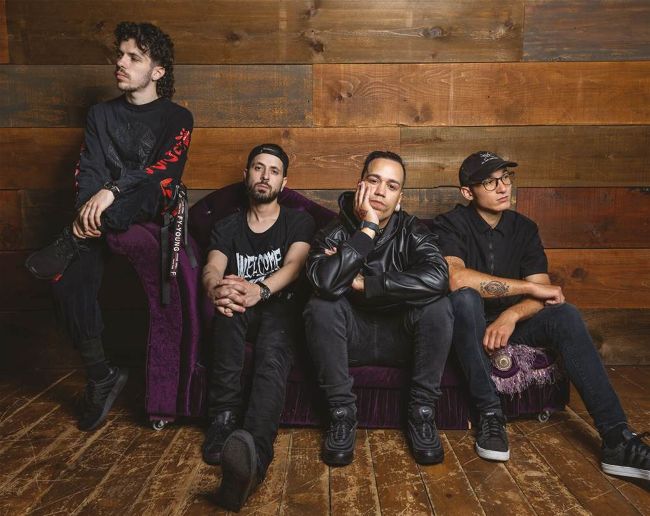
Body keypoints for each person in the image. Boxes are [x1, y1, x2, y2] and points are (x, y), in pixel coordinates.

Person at [432, 151, 650, 481]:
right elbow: (457, 279)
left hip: (513, 326)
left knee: (565, 314)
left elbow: (545, 294)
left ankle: (617, 438)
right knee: (464, 299)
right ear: (467, 192)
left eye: (505, 178)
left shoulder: (524, 228)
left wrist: (511, 315)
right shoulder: (450, 224)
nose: (503, 187)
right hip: (466, 325)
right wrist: (527, 288)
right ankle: (490, 415)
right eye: (489, 182)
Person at [24, 22, 193, 432]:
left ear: (157, 71)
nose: (121, 62)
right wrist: (87, 208)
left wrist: (112, 191)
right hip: (100, 214)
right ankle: (102, 376)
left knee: (154, 186)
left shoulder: (177, 117)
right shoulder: (101, 114)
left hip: (149, 205)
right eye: (120, 54)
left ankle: (69, 239)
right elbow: (89, 169)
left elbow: (165, 170)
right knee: (67, 283)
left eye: (134, 57)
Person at [303, 150, 453, 467]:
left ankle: (421, 414)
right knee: (321, 305)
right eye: (374, 180)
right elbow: (325, 284)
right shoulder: (332, 232)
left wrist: (367, 284)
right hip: (351, 338)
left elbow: (439, 277)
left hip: (401, 338)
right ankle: (342, 416)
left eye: (392, 186)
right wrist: (367, 229)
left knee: (438, 306)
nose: (381, 191)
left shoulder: (413, 231)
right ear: (359, 186)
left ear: (399, 199)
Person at [201, 144, 316, 511]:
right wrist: (217, 289)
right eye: (258, 168)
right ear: (246, 175)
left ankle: (253, 452)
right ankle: (222, 420)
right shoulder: (227, 226)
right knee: (227, 310)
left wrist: (260, 290)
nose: (265, 176)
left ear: (284, 182)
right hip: (240, 307)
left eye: (274, 171)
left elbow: (295, 265)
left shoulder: (298, 221)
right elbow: (212, 267)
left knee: (272, 352)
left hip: (280, 309)